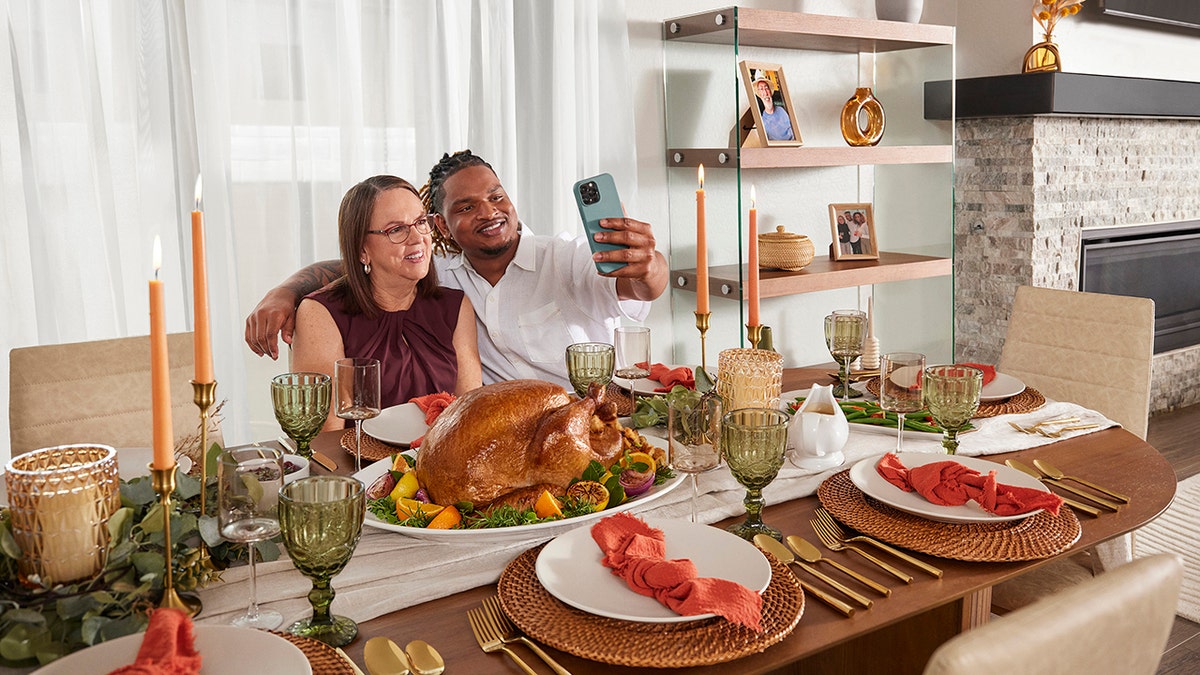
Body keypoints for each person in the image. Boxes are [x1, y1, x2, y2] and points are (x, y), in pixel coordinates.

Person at [246, 150, 668, 389]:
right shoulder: (441, 276)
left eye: (497, 196)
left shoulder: (566, 258)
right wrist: (286, 292)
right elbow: (366, 265)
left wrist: (650, 265)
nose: (490, 212)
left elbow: (643, 286)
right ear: (443, 225)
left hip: (593, 418)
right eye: (467, 207)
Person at [290, 175, 482, 431]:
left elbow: (470, 417)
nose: (417, 238)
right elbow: (324, 437)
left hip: (438, 463)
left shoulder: (455, 306)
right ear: (361, 250)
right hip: (357, 466)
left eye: (420, 222)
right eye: (396, 229)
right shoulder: (320, 313)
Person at [753, 73, 795, 142]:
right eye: (761, 89)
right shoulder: (762, 122)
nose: (765, 93)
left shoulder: (782, 110)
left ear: (770, 91)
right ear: (759, 95)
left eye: (766, 88)